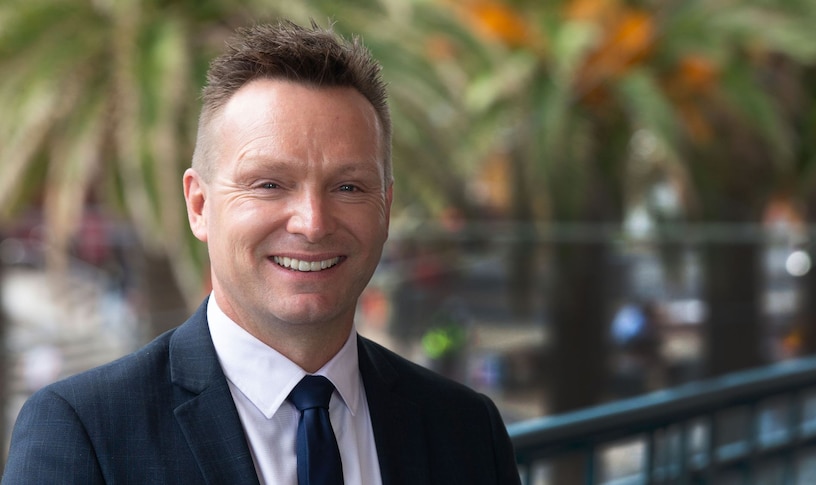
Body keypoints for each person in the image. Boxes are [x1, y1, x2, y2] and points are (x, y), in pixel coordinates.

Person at [2, 20, 521, 485]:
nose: (313, 224)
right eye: (270, 184)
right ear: (200, 205)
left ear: (385, 207)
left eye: (348, 188)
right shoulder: (83, 431)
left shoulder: (466, 429)